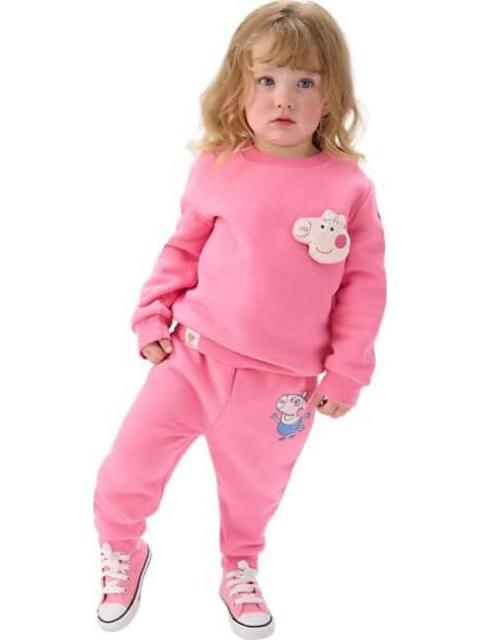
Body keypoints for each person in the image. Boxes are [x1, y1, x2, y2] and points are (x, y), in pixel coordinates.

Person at [93, 1, 387, 637]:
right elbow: (182, 250)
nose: (284, 98)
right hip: (191, 357)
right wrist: (150, 317)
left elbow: (364, 286)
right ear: (239, 87)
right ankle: (122, 548)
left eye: (304, 82)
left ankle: (240, 565)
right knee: (127, 468)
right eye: (267, 79)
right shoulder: (219, 168)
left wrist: (348, 371)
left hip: (282, 383)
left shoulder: (348, 188)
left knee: (256, 491)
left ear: (331, 96)